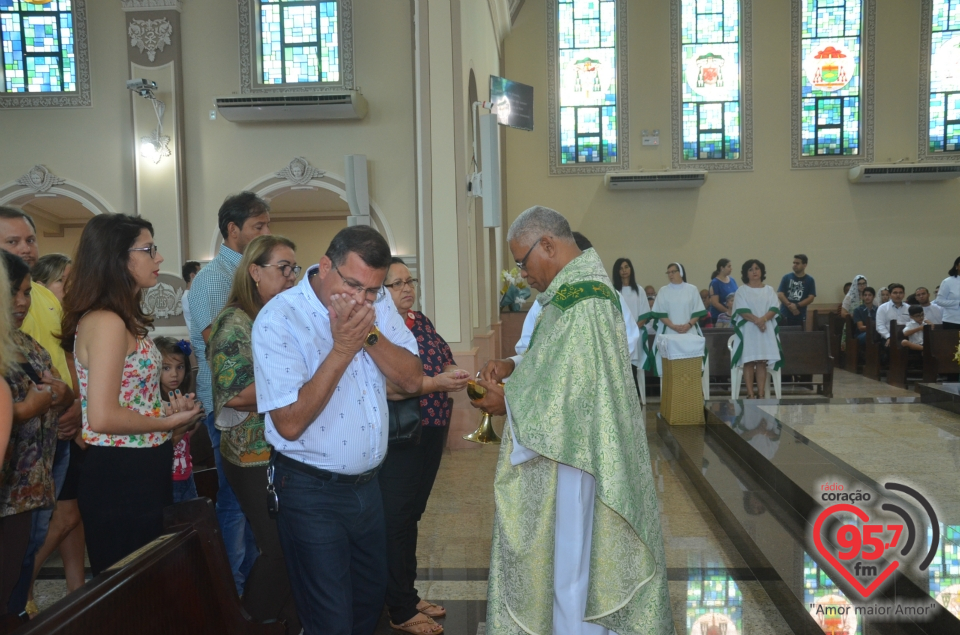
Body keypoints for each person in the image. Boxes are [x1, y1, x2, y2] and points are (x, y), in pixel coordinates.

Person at [470, 206, 671, 635]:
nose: (522, 273)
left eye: (523, 261)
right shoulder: (573, 293)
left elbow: (573, 388)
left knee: (576, 560)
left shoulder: (586, 300)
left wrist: (509, 402)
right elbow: (556, 365)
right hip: (574, 446)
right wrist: (514, 367)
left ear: (548, 245)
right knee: (572, 558)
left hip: (581, 458)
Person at [252, 225, 422, 635]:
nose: (361, 299)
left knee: (368, 605)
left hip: (369, 488)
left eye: (372, 291)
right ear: (325, 265)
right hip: (311, 492)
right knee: (330, 617)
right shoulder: (280, 318)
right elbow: (289, 423)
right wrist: (343, 348)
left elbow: (413, 379)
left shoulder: (375, 310)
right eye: (353, 285)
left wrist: (368, 334)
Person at [61, 214, 204, 576]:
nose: (158, 259)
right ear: (118, 257)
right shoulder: (106, 322)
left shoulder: (122, 320)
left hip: (140, 464)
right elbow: (103, 417)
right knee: (132, 592)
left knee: (149, 585)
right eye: (149, 249)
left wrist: (170, 414)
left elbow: (131, 400)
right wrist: (167, 420)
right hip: (119, 473)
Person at [209, 235, 301, 634]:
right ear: (254, 272)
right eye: (283, 268)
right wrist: (302, 386)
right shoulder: (234, 322)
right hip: (250, 455)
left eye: (294, 269)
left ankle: (289, 621)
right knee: (277, 547)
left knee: (293, 545)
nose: (291, 277)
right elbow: (233, 394)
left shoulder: (274, 317)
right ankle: (251, 623)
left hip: (280, 450)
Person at [379, 257, 469, 634]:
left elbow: (443, 359)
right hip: (400, 432)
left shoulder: (421, 321)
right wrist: (436, 381)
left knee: (412, 514)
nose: (407, 289)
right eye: (396, 284)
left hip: (432, 427)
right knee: (396, 519)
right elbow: (394, 383)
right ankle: (398, 607)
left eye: (408, 281)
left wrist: (455, 373)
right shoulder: (380, 328)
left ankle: (408, 593)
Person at [188, 191, 270, 592]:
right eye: (259, 226)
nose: (265, 232)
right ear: (232, 230)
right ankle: (231, 588)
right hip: (228, 406)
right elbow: (214, 341)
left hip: (257, 404)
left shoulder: (253, 273)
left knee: (255, 500)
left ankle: (255, 585)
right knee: (235, 500)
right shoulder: (212, 280)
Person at [0, 209, 80, 618]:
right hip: (8, 488)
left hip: (37, 477)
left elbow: (59, 372)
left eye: (27, 292)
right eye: (13, 242)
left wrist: (67, 398)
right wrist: (27, 407)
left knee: (23, 563)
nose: (22, 301)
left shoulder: (25, 344)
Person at [24, 252, 88, 616]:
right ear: (43, 287)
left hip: (72, 420)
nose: (70, 288)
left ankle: (76, 591)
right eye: (63, 281)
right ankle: (21, 584)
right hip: (57, 425)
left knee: (72, 517)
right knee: (63, 517)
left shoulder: (70, 320)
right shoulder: (39, 318)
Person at [154, 337, 198, 503]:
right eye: (166, 368)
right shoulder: (155, 405)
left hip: (187, 473)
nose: (174, 374)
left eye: (180, 367)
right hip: (167, 478)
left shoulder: (185, 399)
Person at [643, 262, 706, 377]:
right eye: (668, 272)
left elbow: (697, 311)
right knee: (670, 368)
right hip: (670, 332)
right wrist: (673, 326)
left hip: (689, 332)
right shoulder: (663, 291)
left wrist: (689, 324)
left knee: (690, 366)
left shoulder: (692, 289)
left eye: (673, 272)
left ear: (680, 272)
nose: (670, 275)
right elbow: (660, 313)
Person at [731, 260, 781, 399]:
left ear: (762, 271)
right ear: (746, 273)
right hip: (749, 331)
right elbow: (742, 310)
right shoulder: (742, 290)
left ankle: (760, 393)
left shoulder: (769, 290)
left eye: (757, 268)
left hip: (765, 330)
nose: (754, 271)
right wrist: (758, 321)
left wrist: (763, 319)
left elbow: (774, 308)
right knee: (749, 361)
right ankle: (750, 394)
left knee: (761, 362)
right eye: (751, 269)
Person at [776, 254, 817, 327]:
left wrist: (797, 305)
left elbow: (811, 298)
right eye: (794, 263)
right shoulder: (786, 277)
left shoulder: (810, 280)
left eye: (797, 263)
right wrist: (790, 306)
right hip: (784, 314)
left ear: (804, 265)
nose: (795, 265)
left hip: (799, 315)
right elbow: (780, 294)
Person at [707, 258, 738, 323]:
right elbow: (715, 303)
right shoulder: (715, 283)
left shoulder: (732, 280)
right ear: (722, 268)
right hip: (719, 318)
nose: (731, 268)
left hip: (733, 316)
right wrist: (728, 313)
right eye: (729, 266)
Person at [933, 258, 960, 330]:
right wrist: (958, 303)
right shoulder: (948, 282)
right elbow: (939, 301)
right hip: (952, 320)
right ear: (956, 266)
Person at [180, 260, 201, 333]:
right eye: (200, 273)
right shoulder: (188, 296)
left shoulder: (195, 294)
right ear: (192, 275)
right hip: (198, 339)